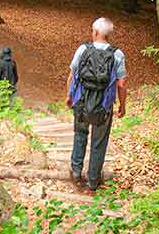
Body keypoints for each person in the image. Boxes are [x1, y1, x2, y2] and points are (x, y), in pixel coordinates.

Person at [65, 17, 127, 191]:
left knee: (80, 134)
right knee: (99, 142)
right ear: (109, 34)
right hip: (104, 106)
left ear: (96, 32)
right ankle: (93, 180)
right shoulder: (117, 54)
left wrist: (70, 96)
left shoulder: (83, 49)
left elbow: (71, 76)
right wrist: (122, 105)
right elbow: (121, 84)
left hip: (81, 101)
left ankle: (76, 171)